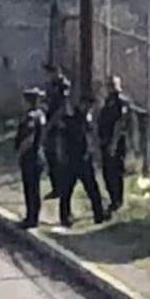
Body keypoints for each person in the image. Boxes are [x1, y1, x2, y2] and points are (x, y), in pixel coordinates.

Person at [57, 96, 108, 228]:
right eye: (87, 105)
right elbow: (62, 138)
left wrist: (95, 153)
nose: (89, 109)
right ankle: (65, 217)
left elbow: (92, 138)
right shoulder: (71, 118)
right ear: (81, 103)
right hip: (71, 159)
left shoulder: (88, 120)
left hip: (85, 158)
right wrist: (62, 155)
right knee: (66, 190)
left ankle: (99, 214)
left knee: (92, 188)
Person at [15, 87, 47, 229]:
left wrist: (20, 153)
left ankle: (31, 218)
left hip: (30, 156)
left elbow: (29, 138)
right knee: (35, 188)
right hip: (39, 154)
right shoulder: (41, 114)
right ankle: (33, 216)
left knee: (31, 188)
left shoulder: (31, 117)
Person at [98, 75, 131, 213]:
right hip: (106, 141)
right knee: (107, 172)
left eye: (111, 85)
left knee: (115, 171)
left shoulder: (120, 102)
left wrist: (114, 143)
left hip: (116, 142)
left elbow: (120, 122)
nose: (109, 88)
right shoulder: (108, 101)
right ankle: (112, 199)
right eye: (108, 85)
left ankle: (118, 200)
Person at [42, 63, 71, 200]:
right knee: (50, 156)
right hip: (50, 124)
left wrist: (50, 124)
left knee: (59, 157)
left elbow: (62, 108)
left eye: (50, 72)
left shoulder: (63, 85)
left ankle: (62, 186)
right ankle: (55, 187)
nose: (48, 75)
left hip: (59, 125)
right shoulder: (50, 85)